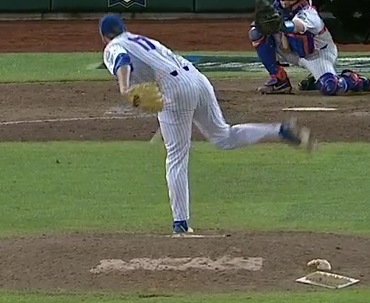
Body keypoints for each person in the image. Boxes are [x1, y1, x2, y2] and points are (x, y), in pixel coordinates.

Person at [98, 14, 316, 235]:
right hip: (197, 80)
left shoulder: (113, 46)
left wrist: (124, 89)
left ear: (104, 37)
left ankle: (180, 224)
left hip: (174, 89)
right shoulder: (141, 39)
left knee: (176, 156)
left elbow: (121, 61)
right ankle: (279, 131)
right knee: (224, 137)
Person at [249, 0, 370, 96]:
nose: (285, 1)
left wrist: (281, 25)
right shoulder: (278, 7)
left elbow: (296, 26)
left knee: (330, 87)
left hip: (318, 54)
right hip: (292, 50)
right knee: (256, 32)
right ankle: (279, 80)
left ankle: (354, 80)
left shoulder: (308, 13)